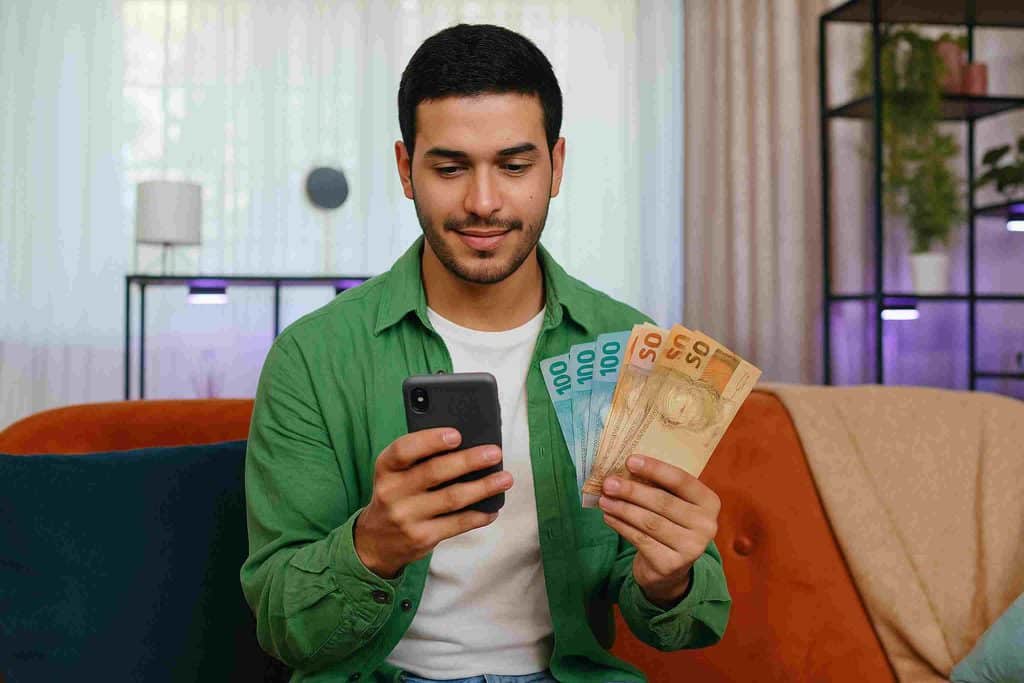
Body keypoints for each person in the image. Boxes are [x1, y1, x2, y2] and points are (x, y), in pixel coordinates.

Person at [241, 23, 730, 683]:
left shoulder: (623, 344)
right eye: (449, 167)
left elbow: (682, 622)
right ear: (404, 169)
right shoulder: (312, 356)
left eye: (514, 164)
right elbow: (279, 621)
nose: (483, 202)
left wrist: (668, 576)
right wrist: (373, 546)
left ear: (557, 166)